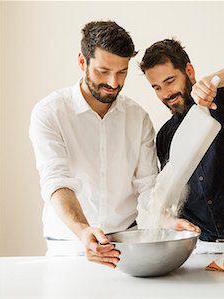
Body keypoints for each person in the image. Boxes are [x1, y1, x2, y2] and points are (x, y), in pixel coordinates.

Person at [29, 22, 198, 268]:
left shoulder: (137, 118)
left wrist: (167, 220)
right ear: (82, 62)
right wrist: (83, 230)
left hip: (125, 246)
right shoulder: (50, 113)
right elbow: (56, 181)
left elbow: (148, 187)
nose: (113, 82)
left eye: (122, 72)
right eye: (103, 71)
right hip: (70, 245)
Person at [139, 38, 224, 245]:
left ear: (189, 71)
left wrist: (217, 79)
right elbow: (167, 195)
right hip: (197, 247)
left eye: (170, 81)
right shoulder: (165, 136)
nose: (165, 94)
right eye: (157, 87)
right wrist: (168, 221)